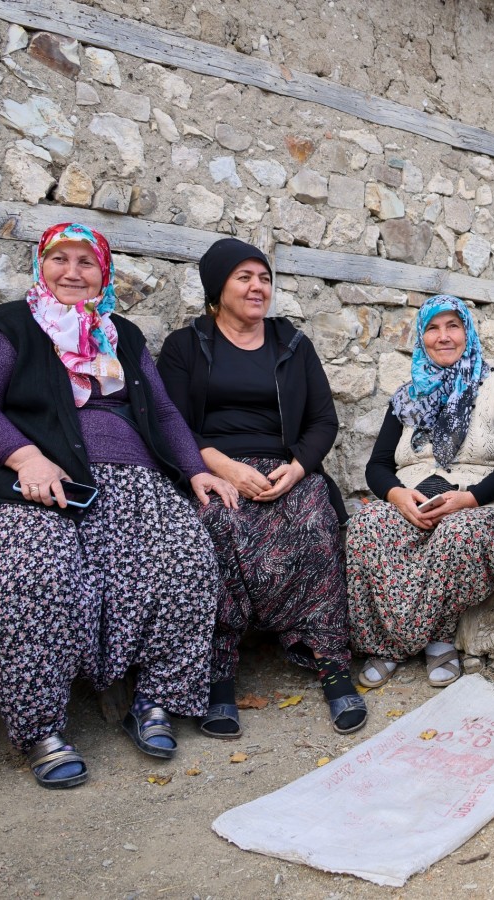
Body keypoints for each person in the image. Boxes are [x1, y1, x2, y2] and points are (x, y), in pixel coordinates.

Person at [0, 222, 237, 788]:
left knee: (186, 560)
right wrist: (24, 457)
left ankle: (154, 698)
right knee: (35, 572)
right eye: (61, 259)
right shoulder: (11, 324)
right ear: (42, 265)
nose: (73, 273)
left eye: (87, 263)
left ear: (103, 274)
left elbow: (161, 409)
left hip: (134, 480)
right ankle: (41, 729)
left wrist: (196, 469)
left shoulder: (120, 334)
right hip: (37, 483)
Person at [158, 238, 365, 739]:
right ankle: (219, 674)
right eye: (244, 278)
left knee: (316, 517)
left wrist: (296, 469)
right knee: (219, 523)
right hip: (214, 468)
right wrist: (222, 467)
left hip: (283, 468)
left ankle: (331, 662)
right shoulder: (185, 346)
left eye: (265, 278)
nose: (258, 287)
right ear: (217, 287)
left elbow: (322, 419)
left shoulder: (291, 344)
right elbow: (169, 423)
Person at [346, 294, 494, 688]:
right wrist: (397, 496)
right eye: (433, 328)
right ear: (422, 337)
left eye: (453, 326)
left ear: (468, 332)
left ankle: (423, 641)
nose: (443, 337)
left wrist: (469, 498)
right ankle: (395, 641)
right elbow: (377, 466)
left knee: (457, 532)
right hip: (414, 499)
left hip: (483, 502)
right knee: (366, 525)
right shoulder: (408, 395)